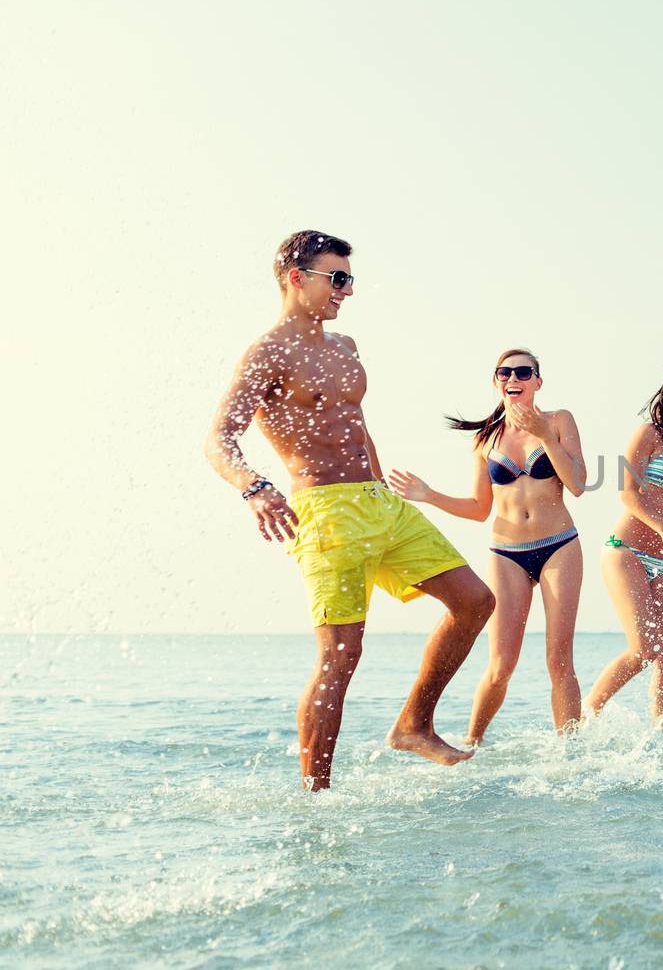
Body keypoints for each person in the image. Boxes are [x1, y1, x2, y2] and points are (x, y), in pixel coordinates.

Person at [203, 230, 494, 790]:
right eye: (337, 279)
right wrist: (255, 488)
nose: (347, 291)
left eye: (350, 279)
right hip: (324, 512)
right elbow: (218, 440)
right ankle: (317, 797)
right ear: (297, 277)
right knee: (341, 654)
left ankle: (413, 724)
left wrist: (384, 487)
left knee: (475, 601)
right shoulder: (267, 353)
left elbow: (357, 426)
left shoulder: (345, 347)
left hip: (377, 502)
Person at [387, 349, 587, 741]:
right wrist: (429, 495)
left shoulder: (559, 421)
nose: (514, 378)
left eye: (524, 372)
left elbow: (578, 484)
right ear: (497, 381)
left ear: (537, 382)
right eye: (505, 372)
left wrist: (546, 437)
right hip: (507, 552)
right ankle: (471, 744)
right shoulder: (486, 439)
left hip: (559, 545)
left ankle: (572, 753)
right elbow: (480, 509)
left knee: (558, 661)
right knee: (500, 664)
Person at [585, 366, 663, 726]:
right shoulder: (650, 435)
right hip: (625, 552)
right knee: (644, 649)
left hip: (661, 561)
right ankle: (585, 715)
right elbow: (627, 493)